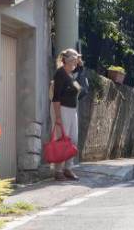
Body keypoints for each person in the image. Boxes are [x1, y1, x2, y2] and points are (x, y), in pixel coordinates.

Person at [51, 48, 82, 181]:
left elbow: (79, 82)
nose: (77, 61)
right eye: (75, 59)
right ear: (69, 60)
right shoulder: (60, 74)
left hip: (72, 110)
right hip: (62, 109)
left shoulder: (70, 75)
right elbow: (56, 97)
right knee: (63, 140)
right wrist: (57, 117)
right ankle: (58, 171)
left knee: (73, 140)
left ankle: (68, 168)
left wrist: (81, 66)